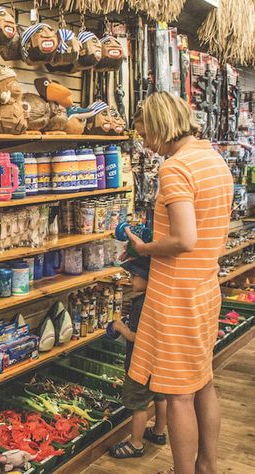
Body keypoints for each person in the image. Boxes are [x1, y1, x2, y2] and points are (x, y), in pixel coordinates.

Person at [126, 92, 233, 474]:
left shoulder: (175, 168)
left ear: (158, 126)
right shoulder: (212, 158)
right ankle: (206, 466)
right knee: (203, 382)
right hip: (205, 286)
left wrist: (144, 246)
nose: (146, 145)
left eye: (145, 135)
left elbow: (184, 239)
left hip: (177, 294)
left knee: (177, 395)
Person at [109, 256, 168, 459]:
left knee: (138, 404)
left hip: (140, 362)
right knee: (160, 397)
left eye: (134, 275)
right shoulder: (158, 298)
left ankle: (136, 443)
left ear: (148, 277)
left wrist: (119, 326)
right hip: (158, 360)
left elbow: (135, 337)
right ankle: (159, 432)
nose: (130, 280)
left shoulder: (142, 305)